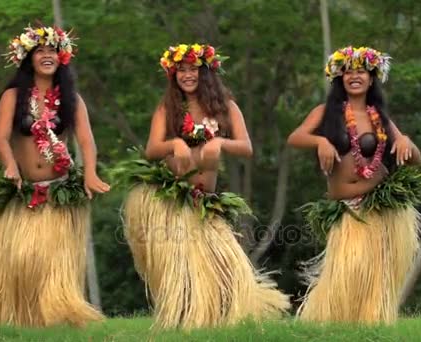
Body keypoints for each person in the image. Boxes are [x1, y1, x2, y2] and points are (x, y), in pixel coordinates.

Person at [111, 43, 290, 330]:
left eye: (192, 68)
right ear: (173, 75)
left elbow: (245, 147)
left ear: (205, 71)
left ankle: (220, 315)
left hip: (205, 201)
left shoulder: (225, 107)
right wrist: (175, 143)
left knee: (225, 269)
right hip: (172, 201)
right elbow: (152, 149)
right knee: (182, 271)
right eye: (181, 70)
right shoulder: (168, 108)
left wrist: (220, 141)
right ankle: (185, 318)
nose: (187, 75)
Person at [0, 24, 110, 327]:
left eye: (52, 50)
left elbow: (87, 140)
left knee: (55, 263)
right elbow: (0, 138)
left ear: (61, 56)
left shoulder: (71, 99)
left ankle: (57, 312)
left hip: (60, 192)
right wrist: (10, 165)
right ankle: (18, 313)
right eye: (40, 51)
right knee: (24, 259)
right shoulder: (13, 97)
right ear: (29, 58)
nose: (47, 55)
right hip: (25, 191)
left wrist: (90, 173)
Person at [287, 46, 421, 324]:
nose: (354, 76)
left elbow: (415, 160)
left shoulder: (380, 118)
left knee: (375, 279)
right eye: (348, 71)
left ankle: (373, 324)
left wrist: (404, 141)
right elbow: (295, 137)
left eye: (361, 71)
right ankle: (336, 322)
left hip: (379, 209)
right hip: (347, 211)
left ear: (372, 78)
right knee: (345, 274)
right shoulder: (325, 112)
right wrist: (321, 141)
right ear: (339, 78)